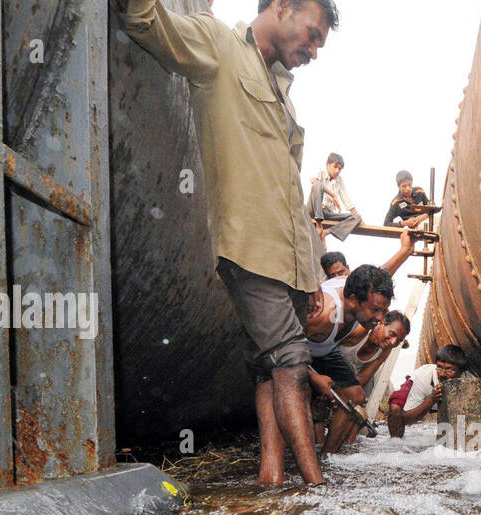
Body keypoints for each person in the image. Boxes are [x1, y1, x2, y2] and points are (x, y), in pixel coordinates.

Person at [114, 0, 339, 487]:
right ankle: (316, 486)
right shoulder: (218, 44)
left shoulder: (282, 91)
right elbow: (147, 23)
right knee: (290, 361)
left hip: (289, 255)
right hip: (249, 244)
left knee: (267, 367)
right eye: (313, 34)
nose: (315, 50)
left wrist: (311, 273)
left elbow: (291, 189)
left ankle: (271, 476)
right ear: (282, 7)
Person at [306, 266, 393, 451]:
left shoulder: (363, 297)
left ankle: (329, 456)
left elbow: (385, 271)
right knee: (302, 389)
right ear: (353, 300)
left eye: (384, 310)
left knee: (355, 395)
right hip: (297, 351)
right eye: (376, 310)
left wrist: (407, 251)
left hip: (324, 351)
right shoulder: (322, 315)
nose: (380, 318)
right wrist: (313, 377)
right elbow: (281, 347)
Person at [325, 311, 412, 450]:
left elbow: (363, 378)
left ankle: (345, 449)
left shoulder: (385, 349)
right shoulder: (359, 331)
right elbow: (324, 348)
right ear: (381, 323)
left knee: (357, 406)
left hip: (351, 378)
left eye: (399, 340)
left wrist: (345, 394)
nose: (393, 342)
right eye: (392, 334)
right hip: (327, 367)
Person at [387, 345, 468, 440]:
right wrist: (431, 400)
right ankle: (395, 443)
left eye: (449, 369)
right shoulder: (424, 377)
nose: (442, 374)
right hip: (419, 387)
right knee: (395, 410)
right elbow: (407, 419)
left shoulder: (470, 381)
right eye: (439, 367)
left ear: (461, 371)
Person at [309, 152, 362, 242]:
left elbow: (347, 200)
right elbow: (314, 181)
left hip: (327, 213)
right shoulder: (321, 172)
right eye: (335, 167)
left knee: (357, 217)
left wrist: (359, 219)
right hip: (314, 209)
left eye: (340, 169)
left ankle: (327, 232)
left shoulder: (339, 180)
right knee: (318, 185)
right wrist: (332, 195)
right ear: (328, 165)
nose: (337, 171)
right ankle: (318, 224)